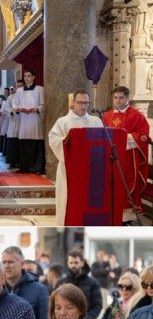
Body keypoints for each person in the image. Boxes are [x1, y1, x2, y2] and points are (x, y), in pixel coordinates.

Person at [48, 90, 103, 225]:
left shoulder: (95, 121)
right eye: (80, 103)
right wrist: (70, 144)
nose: (83, 106)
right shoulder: (63, 122)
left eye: (86, 103)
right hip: (69, 169)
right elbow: (54, 140)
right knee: (69, 200)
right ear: (73, 103)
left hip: (91, 170)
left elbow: (103, 142)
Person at [102, 85, 150, 220]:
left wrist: (123, 139)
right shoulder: (106, 115)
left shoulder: (136, 116)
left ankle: (126, 219)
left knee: (126, 186)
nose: (117, 101)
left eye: (121, 98)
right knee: (111, 186)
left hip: (128, 158)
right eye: (115, 98)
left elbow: (143, 135)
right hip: (109, 159)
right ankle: (110, 213)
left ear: (127, 98)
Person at [2, 246, 49, 319]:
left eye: (10, 262)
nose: (6, 266)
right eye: (4, 262)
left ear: (22, 264)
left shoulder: (40, 290)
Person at [12, 70, 45, 174]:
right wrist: (18, 108)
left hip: (34, 119)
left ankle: (37, 167)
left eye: (29, 76)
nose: (26, 78)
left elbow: (43, 104)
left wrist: (36, 109)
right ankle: (24, 167)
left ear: (33, 77)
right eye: (25, 76)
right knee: (24, 143)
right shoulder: (19, 91)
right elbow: (14, 102)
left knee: (36, 143)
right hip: (24, 119)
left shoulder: (40, 89)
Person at [56, 250, 103, 319]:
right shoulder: (61, 282)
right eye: (71, 263)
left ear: (82, 263)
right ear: (67, 263)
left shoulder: (93, 282)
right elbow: (54, 303)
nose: (73, 265)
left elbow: (97, 305)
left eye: (76, 262)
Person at [3, 81, 24, 169]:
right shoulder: (10, 98)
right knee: (12, 142)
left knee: (22, 142)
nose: (18, 88)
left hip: (23, 122)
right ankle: (12, 162)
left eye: (20, 86)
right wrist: (12, 111)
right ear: (14, 88)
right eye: (17, 86)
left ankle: (21, 161)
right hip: (13, 121)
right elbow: (6, 109)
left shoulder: (25, 97)